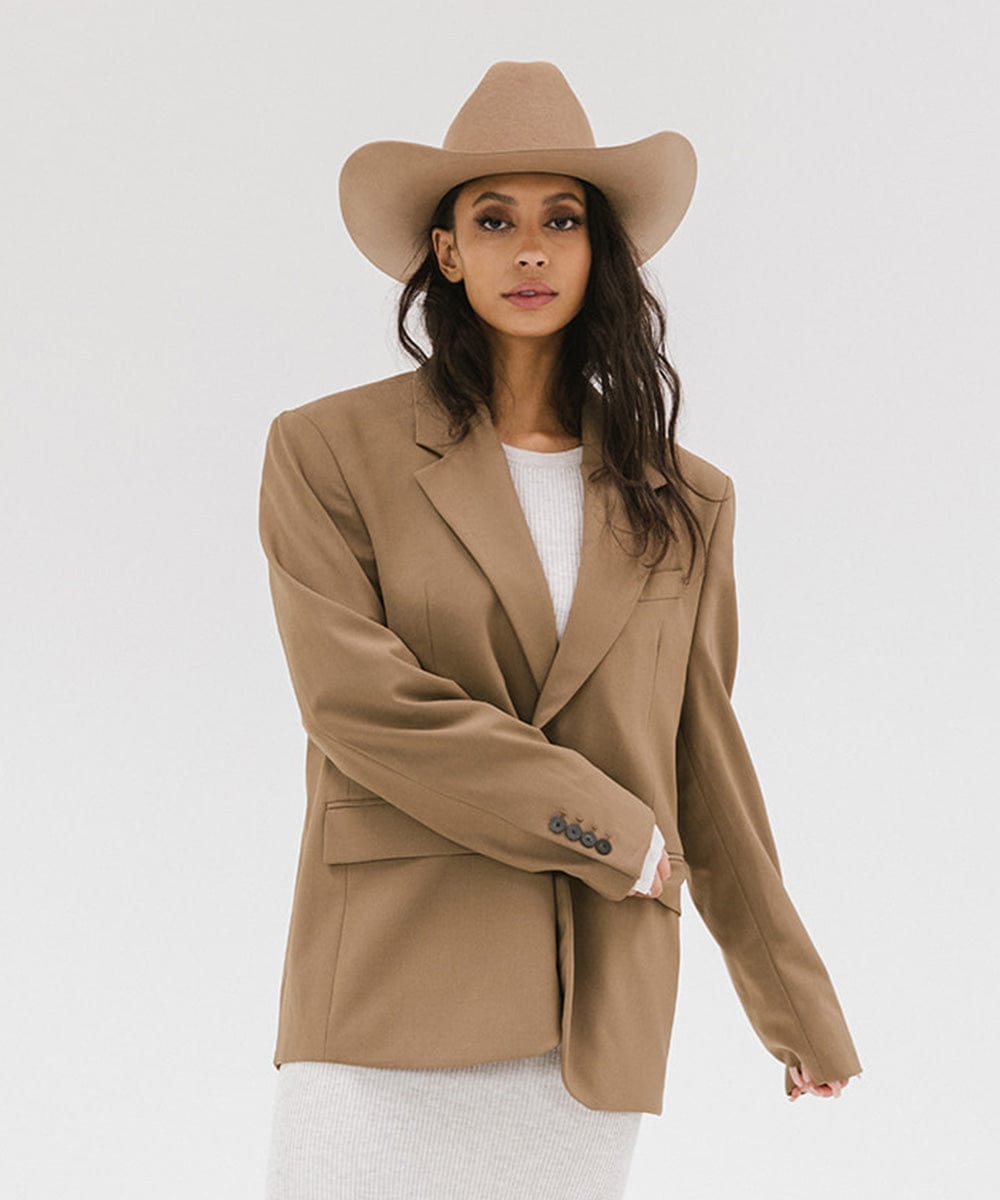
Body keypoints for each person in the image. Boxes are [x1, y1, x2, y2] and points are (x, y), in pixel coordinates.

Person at [259, 60, 862, 1200]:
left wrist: (794, 1007)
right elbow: (358, 704)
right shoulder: (328, 451)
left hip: (594, 1003)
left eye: (562, 220)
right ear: (446, 252)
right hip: (385, 984)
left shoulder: (686, 498)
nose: (529, 250)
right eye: (494, 220)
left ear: (598, 253)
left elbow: (705, 761)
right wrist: (614, 832)